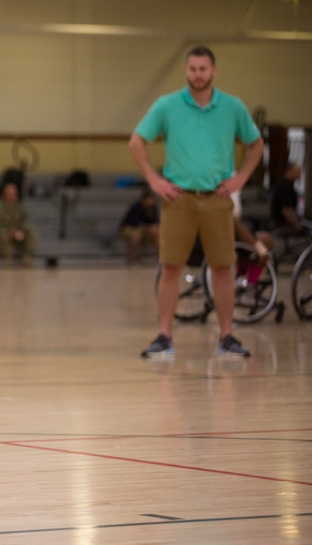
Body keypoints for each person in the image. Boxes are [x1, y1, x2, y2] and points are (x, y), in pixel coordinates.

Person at [129, 45, 264, 359]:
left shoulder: (232, 107)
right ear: (186, 71)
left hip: (217, 198)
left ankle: (227, 336)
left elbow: (256, 144)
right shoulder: (167, 105)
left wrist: (242, 177)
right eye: (192, 69)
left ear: (213, 70)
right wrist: (154, 179)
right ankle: (164, 336)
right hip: (179, 198)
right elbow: (136, 141)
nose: (197, 75)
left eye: (203, 69)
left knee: (223, 267)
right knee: (171, 266)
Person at [0, 181, 37, 267]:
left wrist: (21, 230)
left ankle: (27, 257)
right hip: (5, 231)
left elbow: (24, 220)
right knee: (2, 234)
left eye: (15, 193)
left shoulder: (19, 206)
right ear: (5, 194)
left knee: (33, 233)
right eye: (11, 193)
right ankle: (8, 259)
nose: (14, 195)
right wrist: (11, 231)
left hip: (18, 231)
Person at [119, 189, 160, 263]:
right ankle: (133, 257)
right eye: (149, 199)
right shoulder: (136, 207)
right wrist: (148, 226)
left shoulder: (152, 208)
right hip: (131, 228)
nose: (151, 201)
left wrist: (153, 226)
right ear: (144, 199)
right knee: (136, 235)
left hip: (145, 229)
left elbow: (155, 221)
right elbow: (135, 222)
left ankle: (159, 256)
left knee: (157, 231)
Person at [270, 161, 304, 234]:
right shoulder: (284, 186)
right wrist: (297, 225)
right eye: (298, 171)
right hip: (283, 226)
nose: (299, 174)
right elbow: (286, 210)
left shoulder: (287, 184)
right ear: (290, 170)